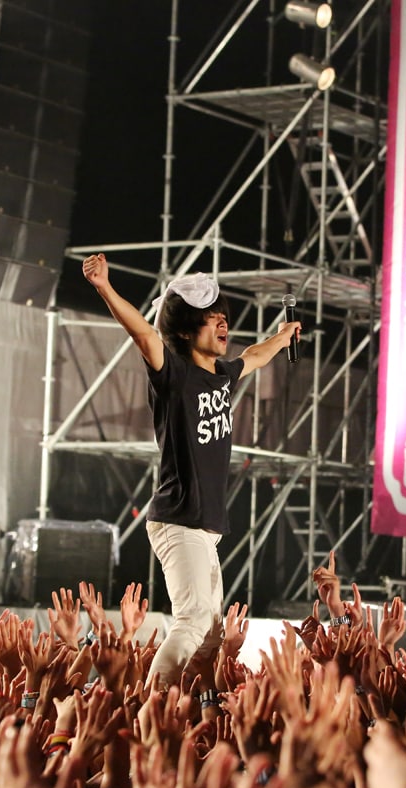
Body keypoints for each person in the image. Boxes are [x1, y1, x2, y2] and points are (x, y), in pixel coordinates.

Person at [82, 252, 300, 686]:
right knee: (193, 619)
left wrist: (281, 336)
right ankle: (150, 709)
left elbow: (254, 355)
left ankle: (189, 712)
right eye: (211, 319)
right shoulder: (174, 374)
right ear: (184, 329)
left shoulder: (222, 373)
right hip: (178, 519)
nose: (223, 325)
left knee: (212, 636)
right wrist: (105, 287)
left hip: (203, 527)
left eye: (224, 317)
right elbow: (143, 334)